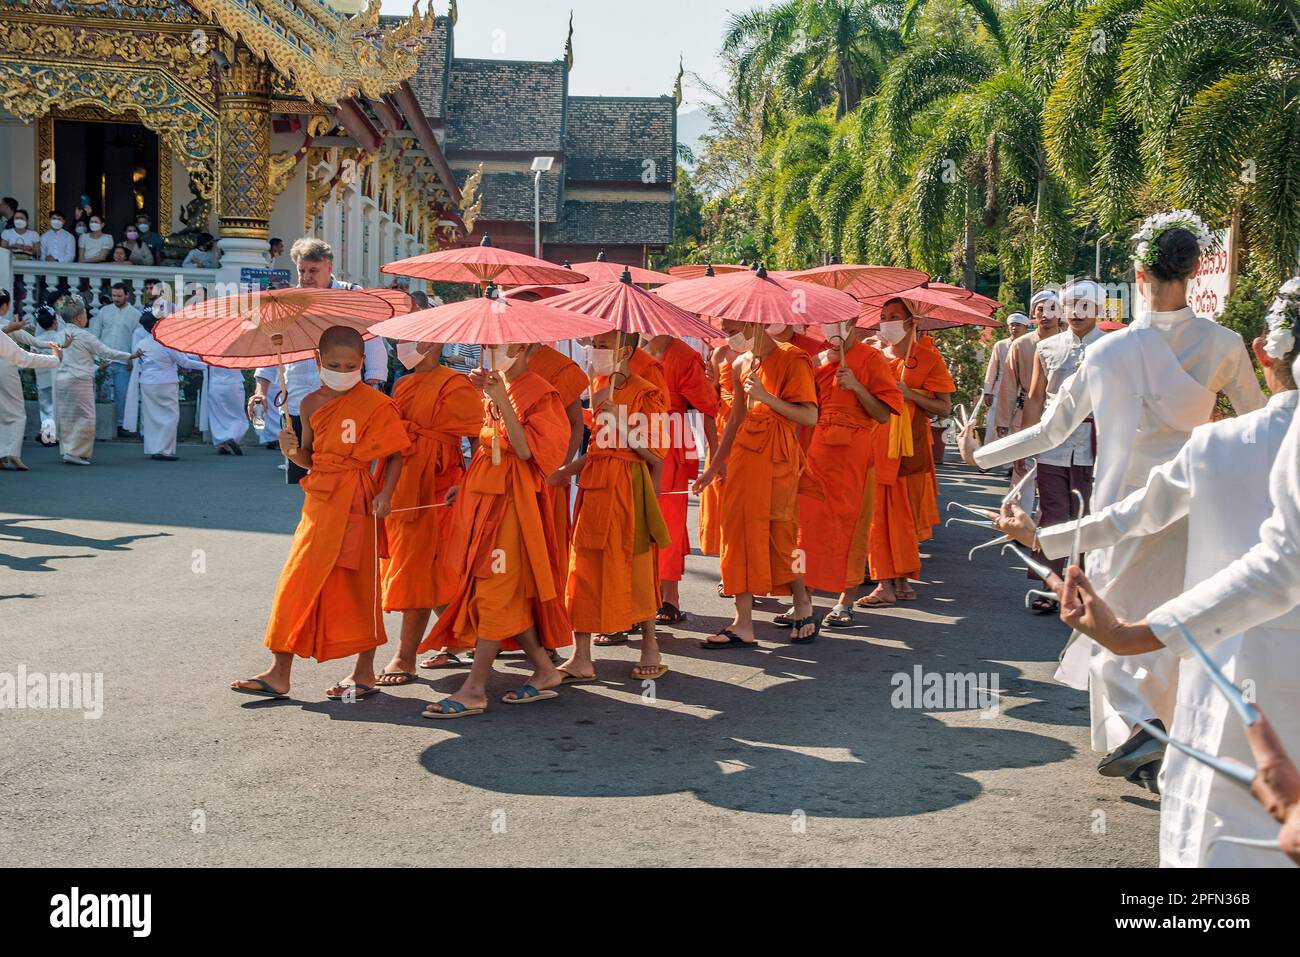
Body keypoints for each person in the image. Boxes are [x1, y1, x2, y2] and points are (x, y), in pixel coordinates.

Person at [1001, 284, 1299, 863]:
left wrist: (1047, 543)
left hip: (1236, 669)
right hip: (1233, 650)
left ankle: (1140, 727)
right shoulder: (1222, 389)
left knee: (1224, 839)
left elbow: (1140, 515)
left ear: (1265, 352)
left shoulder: (1219, 446)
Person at [974, 212, 1266, 784]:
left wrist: (979, 454)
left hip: (1117, 509)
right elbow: (1258, 423)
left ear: (1138, 276)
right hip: (1193, 505)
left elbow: (1052, 432)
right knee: (1176, 621)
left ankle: (1142, 728)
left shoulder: (1105, 353)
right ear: (1196, 269)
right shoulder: (1226, 345)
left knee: (1110, 620)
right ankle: (1164, 732)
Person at [230, 326, 410, 701]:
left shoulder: (377, 403)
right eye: (333, 364)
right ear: (317, 362)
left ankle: (364, 673)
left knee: (358, 584)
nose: (342, 370)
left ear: (362, 363)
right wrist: (289, 448)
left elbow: (395, 454)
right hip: (320, 501)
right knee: (298, 579)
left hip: (359, 499)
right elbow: (307, 459)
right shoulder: (310, 403)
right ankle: (279, 672)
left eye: (350, 364)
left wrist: (387, 494)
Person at [419, 341, 573, 717]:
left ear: (520, 347)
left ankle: (474, 689)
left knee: (494, 588)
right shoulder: (495, 384)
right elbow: (491, 445)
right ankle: (544, 669)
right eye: (486, 344)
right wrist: (468, 482)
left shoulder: (540, 392)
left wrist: (502, 398)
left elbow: (527, 452)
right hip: (484, 497)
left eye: (495, 344)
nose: (489, 350)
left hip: (514, 505)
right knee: (494, 587)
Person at [693, 316, 820, 645]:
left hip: (778, 459)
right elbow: (735, 418)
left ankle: (802, 601)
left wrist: (767, 396)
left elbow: (809, 415)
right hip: (744, 458)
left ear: (754, 324)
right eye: (726, 330)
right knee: (737, 535)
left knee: (783, 535)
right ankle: (742, 622)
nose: (729, 336)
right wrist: (713, 467)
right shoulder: (740, 363)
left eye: (734, 329)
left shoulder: (792, 358)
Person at [553, 330, 670, 683]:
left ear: (626, 350)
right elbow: (596, 449)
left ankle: (650, 646)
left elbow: (656, 454)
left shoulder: (646, 392)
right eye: (593, 345)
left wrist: (624, 426)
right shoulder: (599, 385)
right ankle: (581, 656)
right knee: (584, 565)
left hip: (629, 484)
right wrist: (562, 471)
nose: (595, 351)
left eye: (602, 346)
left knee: (635, 565)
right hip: (594, 483)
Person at [374, 340, 482, 684]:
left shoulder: (455, 383)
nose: (405, 348)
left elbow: (478, 439)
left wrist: (467, 485)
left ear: (435, 346)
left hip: (440, 482)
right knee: (427, 569)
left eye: (414, 342)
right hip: (403, 481)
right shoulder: (403, 383)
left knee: (418, 567)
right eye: (402, 343)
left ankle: (405, 658)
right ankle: (469, 637)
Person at [248, 239, 387, 483]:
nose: (306, 277)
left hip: (344, 401)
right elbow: (272, 350)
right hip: (297, 403)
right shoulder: (285, 303)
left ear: (329, 267)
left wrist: (374, 388)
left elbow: (373, 343)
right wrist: (260, 391)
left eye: (313, 271)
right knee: (302, 475)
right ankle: (312, 519)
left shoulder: (351, 296)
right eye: (302, 271)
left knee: (343, 471)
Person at [793, 320, 901, 627]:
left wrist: (856, 386)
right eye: (822, 320)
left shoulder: (871, 358)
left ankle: (846, 601)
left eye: (835, 319)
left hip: (855, 454)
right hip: (818, 449)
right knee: (807, 524)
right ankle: (803, 600)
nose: (828, 327)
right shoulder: (818, 361)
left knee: (851, 524)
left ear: (852, 322)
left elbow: (882, 414)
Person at [860, 300, 954, 607]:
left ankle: (898, 582)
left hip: (909, 447)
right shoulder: (873, 355)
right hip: (875, 445)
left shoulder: (927, 357)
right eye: (883, 317)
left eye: (894, 317)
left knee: (901, 519)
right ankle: (887, 583)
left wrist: (910, 394)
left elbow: (944, 407)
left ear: (912, 322)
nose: (886, 322)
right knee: (878, 517)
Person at [643, 332, 718, 623]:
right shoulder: (633, 352)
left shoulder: (685, 356)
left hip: (670, 443)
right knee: (638, 522)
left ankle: (669, 596)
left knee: (668, 521)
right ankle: (641, 595)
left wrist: (715, 459)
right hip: (636, 439)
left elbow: (708, 406)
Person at [994, 290, 1061, 510]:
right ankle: (1018, 520)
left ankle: (1048, 526)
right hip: (1024, 415)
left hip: (1060, 414)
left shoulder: (1070, 342)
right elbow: (1008, 385)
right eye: (1041, 309)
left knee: (1056, 472)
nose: (1046, 315)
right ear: (1033, 312)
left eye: (1052, 309)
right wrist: (1002, 420)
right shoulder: (1021, 344)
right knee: (1022, 470)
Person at [54, 298, 141, 465]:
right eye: (85, 313)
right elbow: (106, 352)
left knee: (68, 417)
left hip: (63, 380)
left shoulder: (60, 334)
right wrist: (130, 355)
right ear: (79, 317)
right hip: (79, 380)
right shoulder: (84, 335)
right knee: (85, 417)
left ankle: (68, 450)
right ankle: (76, 453)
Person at [526, 342, 588, 548]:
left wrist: (562, 467)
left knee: (546, 541)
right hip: (512, 468)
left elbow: (576, 422)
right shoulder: (501, 365)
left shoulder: (560, 368)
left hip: (549, 466)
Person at [123, 311, 205, 460]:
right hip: (166, 381)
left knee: (151, 417)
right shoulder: (166, 342)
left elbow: (138, 363)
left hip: (147, 382)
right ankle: (164, 450)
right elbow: (184, 362)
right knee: (170, 416)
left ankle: (153, 447)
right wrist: (206, 365)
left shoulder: (142, 343)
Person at [0, 292, 63, 470]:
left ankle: (4, 454)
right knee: (17, 413)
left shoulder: (8, 326)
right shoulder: (7, 326)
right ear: (5, 307)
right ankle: (12, 453)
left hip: (10, 366)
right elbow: (25, 355)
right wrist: (55, 353)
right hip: (6, 369)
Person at [698, 341, 737, 566]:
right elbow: (709, 406)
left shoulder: (765, 354)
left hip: (755, 434)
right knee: (722, 505)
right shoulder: (719, 353)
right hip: (722, 435)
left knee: (746, 507)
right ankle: (729, 569)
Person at [89, 282, 141, 436]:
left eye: (119, 296)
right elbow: (95, 335)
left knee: (122, 395)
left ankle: (120, 425)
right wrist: (96, 359)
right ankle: (100, 425)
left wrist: (132, 360)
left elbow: (136, 340)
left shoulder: (135, 314)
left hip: (124, 360)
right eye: (114, 296)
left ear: (127, 295)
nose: (116, 299)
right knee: (101, 393)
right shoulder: (104, 311)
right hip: (104, 360)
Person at [982, 313, 1026, 446]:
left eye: (1018, 325)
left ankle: (1011, 463)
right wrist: (987, 391)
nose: (1014, 328)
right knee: (992, 425)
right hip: (999, 391)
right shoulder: (1000, 345)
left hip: (1021, 392)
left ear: (1025, 326)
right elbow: (992, 369)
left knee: (1016, 427)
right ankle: (987, 458)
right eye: (1012, 325)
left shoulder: (1030, 344)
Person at [198, 363, 249, 456]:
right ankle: (232, 437)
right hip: (234, 383)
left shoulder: (212, 350)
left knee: (218, 415)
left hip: (215, 384)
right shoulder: (237, 349)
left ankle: (223, 444)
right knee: (237, 415)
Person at [30, 306, 63, 444]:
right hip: (56, 375)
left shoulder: (36, 340)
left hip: (41, 374)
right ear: (55, 322)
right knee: (56, 406)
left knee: (45, 406)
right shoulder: (58, 338)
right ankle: (52, 435)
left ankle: (46, 433)